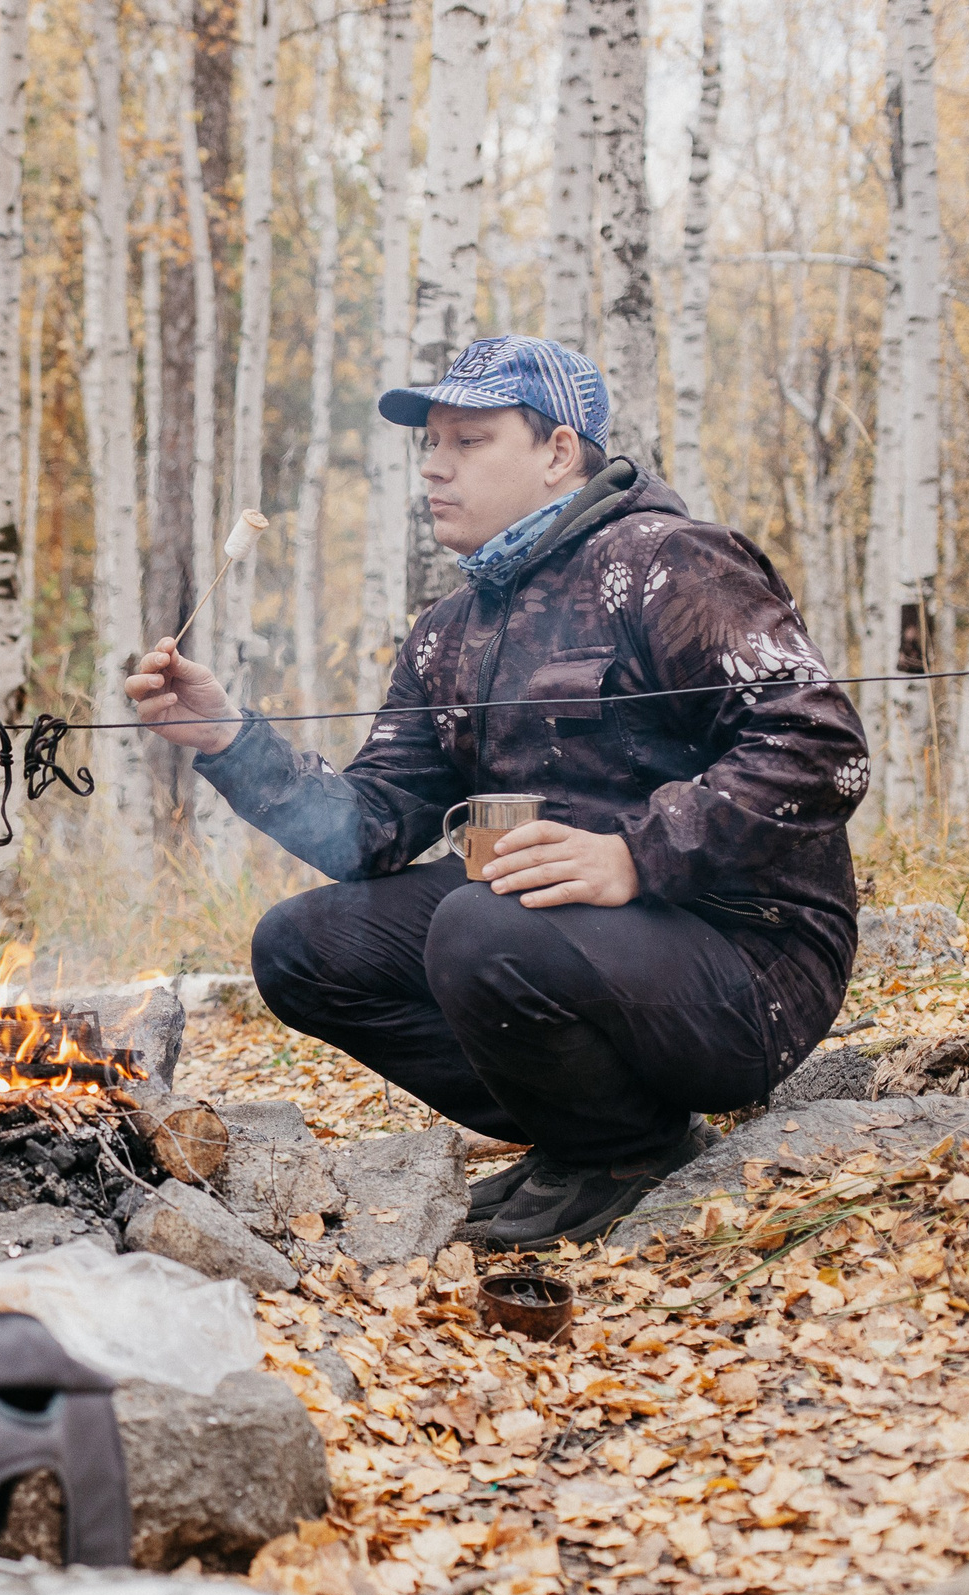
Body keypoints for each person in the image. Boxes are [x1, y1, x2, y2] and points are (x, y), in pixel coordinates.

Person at [127, 335, 871, 1250]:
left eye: (468, 442)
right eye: (428, 444)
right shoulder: (449, 629)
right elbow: (369, 830)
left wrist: (637, 853)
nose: (434, 469)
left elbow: (822, 744)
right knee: (302, 947)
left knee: (480, 925)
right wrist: (230, 740)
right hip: (550, 937)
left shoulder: (669, 562)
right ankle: (581, 1127)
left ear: (559, 451)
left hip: (744, 964)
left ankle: (626, 1151)